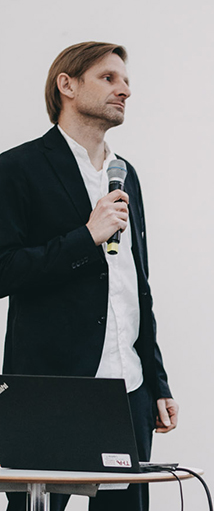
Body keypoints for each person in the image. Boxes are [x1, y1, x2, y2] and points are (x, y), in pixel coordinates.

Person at [0, 42, 179, 511]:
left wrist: (157, 382)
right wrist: (85, 237)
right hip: (51, 387)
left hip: (129, 389)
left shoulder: (125, 175)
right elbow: (4, 270)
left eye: (126, 81)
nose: (125, 90)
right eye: (108, 78)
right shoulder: (17, 169)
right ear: (68, 84)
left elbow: (134, 288)